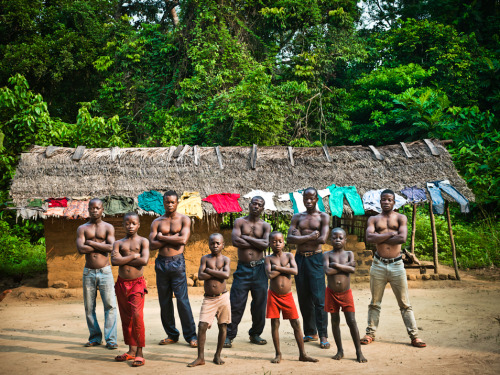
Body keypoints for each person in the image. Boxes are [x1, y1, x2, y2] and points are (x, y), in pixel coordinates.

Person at [361, 189, 426, 348]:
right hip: (378, 264)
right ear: (380, 201)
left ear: (394, 202)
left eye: (389, 200)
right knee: (375, 302)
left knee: (405, 303)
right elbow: (369, 238)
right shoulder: (373, 219)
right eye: (383, 200)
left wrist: (381, 236)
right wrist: (391, 235)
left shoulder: (401, 218)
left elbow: (402, 238)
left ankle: (414, 336)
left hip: (397, 265)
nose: (386, 202)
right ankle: (370, 334)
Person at [149, 190, 197, 347]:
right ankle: (172, 334)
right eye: (167, 202)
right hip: (161, 263)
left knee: (182, 300)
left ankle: (191, 336)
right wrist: (172, 240)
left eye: (173, 202)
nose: (170, 204)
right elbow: (151, 245)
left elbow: (182, 240)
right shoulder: (157, 222)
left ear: (177, 203)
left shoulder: (184, 220)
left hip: (177, 263)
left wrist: (162, 237)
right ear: (163, 202)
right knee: (165, 301)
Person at [265, 231, 318, 364]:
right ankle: (278, 353)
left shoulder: (289, 255)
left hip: (287, 296)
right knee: (275, 323)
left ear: (284, 242)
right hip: (274, 295)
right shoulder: (268, 259)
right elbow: (270, 275)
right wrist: (285, 268)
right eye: (274, 241)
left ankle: (303, 354)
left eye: (280, 241)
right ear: (269, 243)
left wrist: (277, 267)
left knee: (296, 323)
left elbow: (295, 271)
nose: (277, 244)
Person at [225, 196, 271, 347]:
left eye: (260, 205)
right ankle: (229, 335)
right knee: (236, 303)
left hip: (259, 269)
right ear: (249, 205)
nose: (256, 206)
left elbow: (265, 245)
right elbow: (235, 241)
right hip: (243, 268)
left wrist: (246, 238)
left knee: (259, 304)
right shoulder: (239, 222)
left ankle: (255, 334)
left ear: (263, 208)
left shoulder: (265, 226)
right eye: (254, 203)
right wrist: (255, 242)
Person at [287, 188, 330, 349]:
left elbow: (323, 239)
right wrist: (310, 236)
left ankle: (323, 334)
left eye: (312, 198)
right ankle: (310, 331)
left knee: (319, 298)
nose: (309, 201)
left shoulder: (323, 216)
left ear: (317, 198)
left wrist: (300, 237)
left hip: (316, 258)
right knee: (304, 297)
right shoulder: (297, 217)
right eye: (306, 198)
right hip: (300, 259)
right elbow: (289, 238)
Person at [76, 198, 118, 349]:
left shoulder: (108, 227)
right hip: (89, 272)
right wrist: (102, 246)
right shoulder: (82, 228)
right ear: (88, 209)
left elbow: (112, 247)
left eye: (97, 208)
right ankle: (95, 337)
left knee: (110, 306)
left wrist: (91, 243)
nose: (94, 210)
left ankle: (111, 339)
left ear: (102, 209)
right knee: (89, 307)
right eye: (92, 208)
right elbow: (80, 249)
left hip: (105, 271)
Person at [111, 212, 150, 367]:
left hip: (137, 284)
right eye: (127, 223)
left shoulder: (143, 241)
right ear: (123, 225)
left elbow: (144, 260)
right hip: (121, 284)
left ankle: (140, 352)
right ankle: (131, 350)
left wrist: (124, 259)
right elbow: (114, 261)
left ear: (138, 225)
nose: (130, 226)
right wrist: (134, 256)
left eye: (134, 223)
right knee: (126, 318)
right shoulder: (118, 243)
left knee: (136, 316)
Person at [323, 228, 367, 363]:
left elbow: (352, 269)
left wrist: (336, 264)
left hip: (346, 293)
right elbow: (327, 271)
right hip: (331, 292)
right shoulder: (326, 254)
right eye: (334, 238)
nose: (337, 240)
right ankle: (340, 350)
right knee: (335, 321)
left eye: (340, 238)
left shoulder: (349, 253)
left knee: (351, 321)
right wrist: (345, 266)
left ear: (345, 240)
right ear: (330, 240)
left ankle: (359, 351)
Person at [188, 233, 231, 367]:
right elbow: (201, 275)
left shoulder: (226, 259)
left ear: (223, 244)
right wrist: (216, 272)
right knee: (202, 326)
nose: (215, 245)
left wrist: (210, 271)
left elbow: (226, 275)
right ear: (209, 244)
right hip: (209, 299)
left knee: (223, 326)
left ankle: (217, 355)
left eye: (218, 243)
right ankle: (200, 358)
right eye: (212, 243)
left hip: (223, 297)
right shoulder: (205, 258)